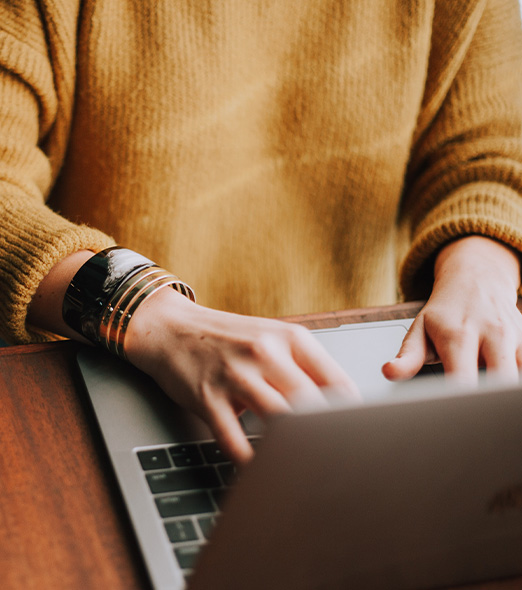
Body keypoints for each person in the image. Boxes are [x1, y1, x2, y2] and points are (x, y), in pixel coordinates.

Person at [1, 0, 522, 464]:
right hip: (107, 378)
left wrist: (482, 271)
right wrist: (152, 315)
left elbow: (491, 151)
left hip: (365, 381)